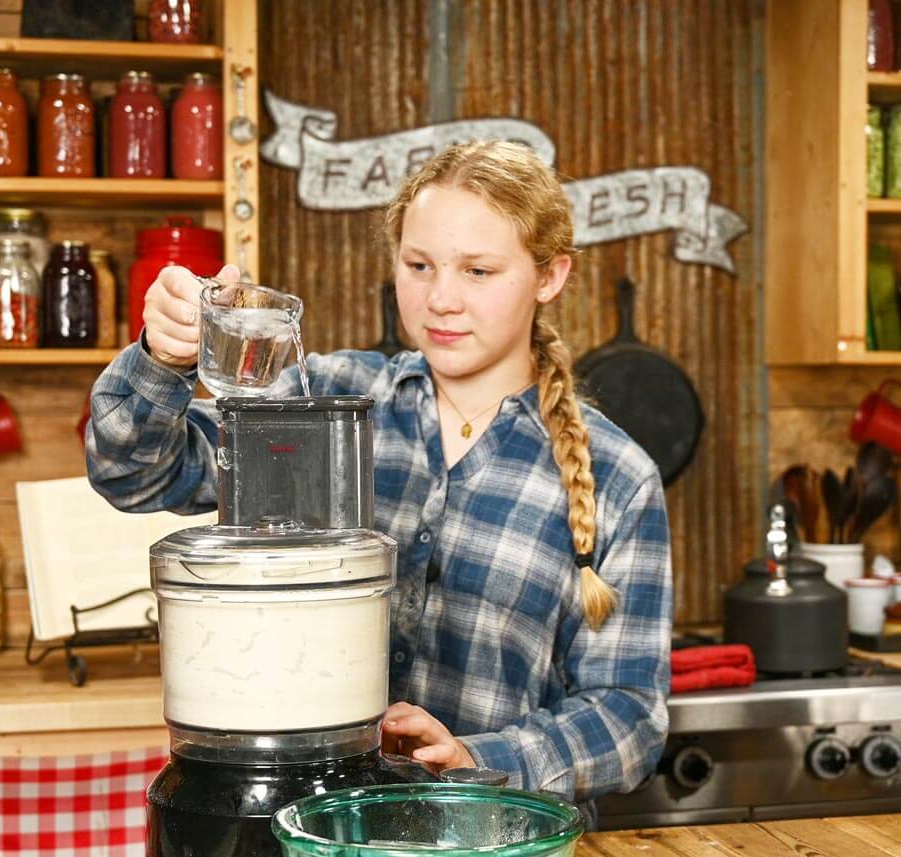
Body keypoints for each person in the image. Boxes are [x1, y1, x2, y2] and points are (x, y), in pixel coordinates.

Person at [86, 140, 673, 811]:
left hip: (490, 840)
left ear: (550, 276)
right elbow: (131, 472)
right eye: (418, 265)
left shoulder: (617, 477)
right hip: (310, 832)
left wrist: (482, 757)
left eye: (478, 271)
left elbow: (629, 718)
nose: (441, 299)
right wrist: (162, 359)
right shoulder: (321, 405)